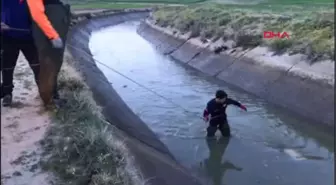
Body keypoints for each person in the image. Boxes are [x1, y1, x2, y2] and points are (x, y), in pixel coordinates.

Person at [26, 0, 70, 108]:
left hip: (55, 29)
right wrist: (53, 36)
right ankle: (49, 101)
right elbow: (37, 14)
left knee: (55, 65)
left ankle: (54, 96)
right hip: (48, 34)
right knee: (48, 66)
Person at [1, 0, 40, 107]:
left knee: (37, 67)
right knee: (7, 68)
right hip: (8, 38)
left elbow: (40, 15)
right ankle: (7, 94)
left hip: (29, 38)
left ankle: (44, 92)